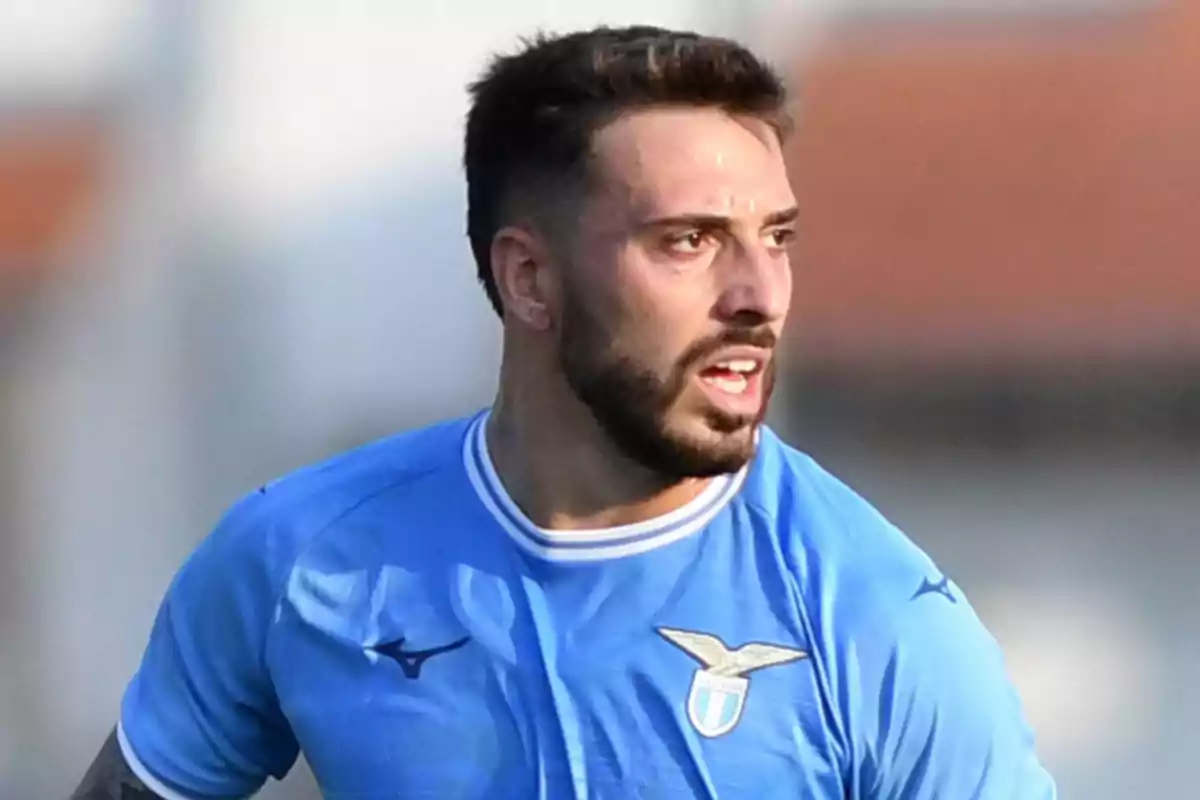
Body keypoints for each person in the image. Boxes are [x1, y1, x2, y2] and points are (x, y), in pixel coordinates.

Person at [71, 25, 1056, 800]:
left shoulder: (874, 610)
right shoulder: (296, 559)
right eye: (689, 240)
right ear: (530, 279)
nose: (761, 292)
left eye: (776, 235)